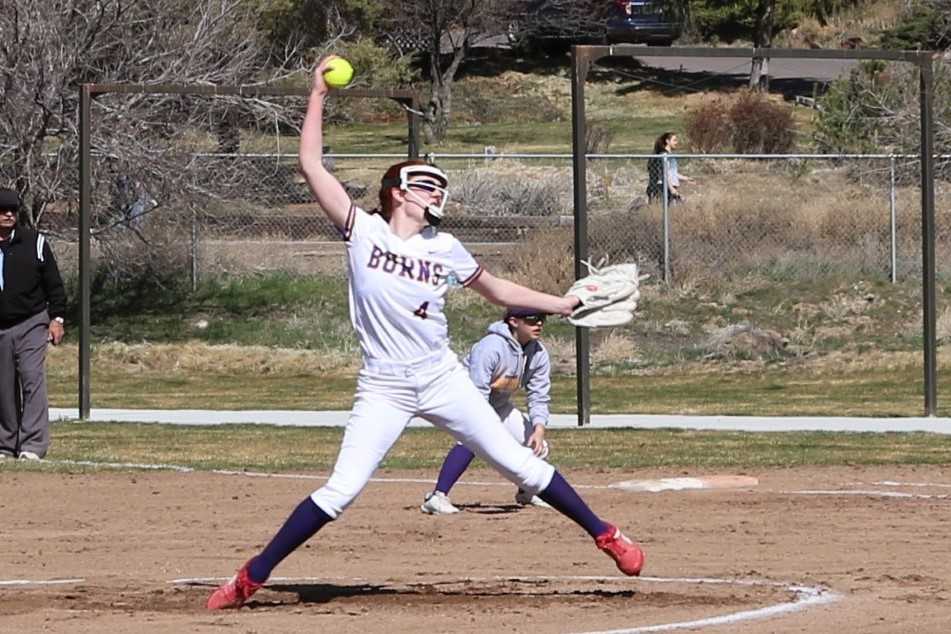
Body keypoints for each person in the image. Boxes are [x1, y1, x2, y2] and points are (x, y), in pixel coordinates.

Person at [206, 55, 645, 610]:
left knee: (517, 463)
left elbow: (500, 291)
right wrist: (317, 93)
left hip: (440, 376)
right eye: (423, 184)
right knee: (340, 491)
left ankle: (605, 533)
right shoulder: (361, 231)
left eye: (439, 186)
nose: (434, 192)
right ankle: (251, 576)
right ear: (395, 191)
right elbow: (311, 164)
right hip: (384, 385)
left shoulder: (445, 248)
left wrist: (561, 302)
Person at [421, 307, 555, 514]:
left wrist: (539, 428)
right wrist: (485, 427)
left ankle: (527, 492)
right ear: (513, 321)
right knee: (472, 441)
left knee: (538, 445)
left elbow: (538, 394)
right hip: (464, 401)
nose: (539, 324)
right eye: (532, 319)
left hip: (498, 406)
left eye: (542, 319)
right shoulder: (491, 347)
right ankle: (437, 497)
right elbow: (477, 392)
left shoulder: (538, 353)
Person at [0, 188, 66, 461]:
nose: (8, 214)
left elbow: (54, 284)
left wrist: (57, 319)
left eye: (13, 210)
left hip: (31, 322)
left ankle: (33, 445)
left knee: (31, 378)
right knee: (3, 387)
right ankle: (5, 444)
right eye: (3, 210)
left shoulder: (34, 243)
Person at [646, 132, 693, 205]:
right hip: (666, 188)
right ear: (667, 141)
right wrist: (671, 188)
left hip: (671, 188)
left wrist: (685, 178)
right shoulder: (664, 156)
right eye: (674, 140)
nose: (676, 142)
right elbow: (664, 173)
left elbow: (672, 172)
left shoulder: (670, 155)